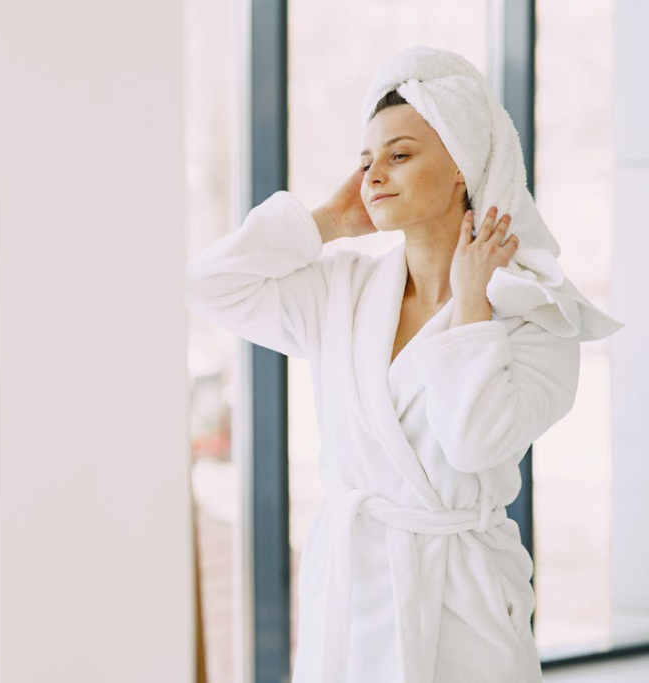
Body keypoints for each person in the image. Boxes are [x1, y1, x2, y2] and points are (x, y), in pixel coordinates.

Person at [184, 46, 622, 683]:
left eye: (400, 154)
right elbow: (207, 285)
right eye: (366, 161)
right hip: (350, 597)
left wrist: (472, 306)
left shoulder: (535, 316)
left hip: (463, 611)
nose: (374, 175)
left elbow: (475, 443)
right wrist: (326, 223)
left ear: (462, 167)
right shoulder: (342, 291)